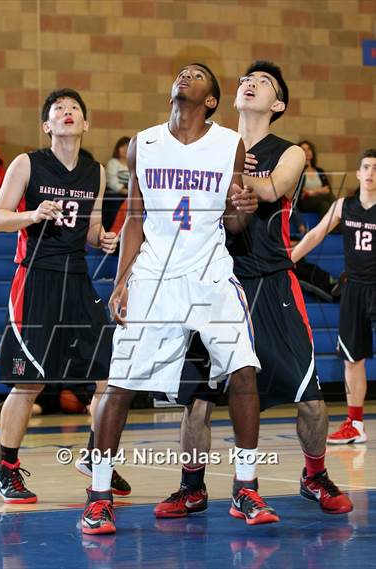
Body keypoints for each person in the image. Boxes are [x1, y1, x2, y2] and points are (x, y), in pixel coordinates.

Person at [81, 63, 280, 535]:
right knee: (120, 382)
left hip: (209, 271)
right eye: (183, 72)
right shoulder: (142, 144)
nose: (186, 76)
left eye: (198, 74)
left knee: (243, 371)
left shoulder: (229, 143)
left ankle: (246, 487)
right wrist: (121, 279)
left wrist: (243, 211)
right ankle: (99, 495)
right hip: (155, 273)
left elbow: (232, 224)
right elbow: (133, 217)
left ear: (211, 99)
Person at [155, 61, 352, 519]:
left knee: (310, 398)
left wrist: (228, 172)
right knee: (198, 399)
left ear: (277, 103)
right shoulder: (210, 141)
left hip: (269, 281)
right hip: (212, 279)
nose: (250, 84)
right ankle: (192, 486)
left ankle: (315, 474)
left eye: (262, 83)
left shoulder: (289, 153)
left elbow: (272, 189)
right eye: (246, 79)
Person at [0, 88, 129, 504]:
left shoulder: (96, 172)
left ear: (85, 124)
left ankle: (94, 453)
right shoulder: (27, 164)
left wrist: (102, 239)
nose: (67, 113)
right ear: (47, 126)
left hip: (77, 278)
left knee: (110, 374)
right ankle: (6, 470)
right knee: (29, 382)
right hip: (36, 279)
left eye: (74, 109)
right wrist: (32, 214)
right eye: (58, 110)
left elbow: (89, 230)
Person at [292, 148, 376, 444]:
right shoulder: (344, 206)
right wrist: (291, 257)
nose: (370, 173)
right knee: (352, 359)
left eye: (375, 168)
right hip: (354, 289)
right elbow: (315, 234)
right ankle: (355, 423)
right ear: (357, 173)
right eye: (365, 167)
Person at [297, 140, 334, 218]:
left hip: (321, 200)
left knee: (328, 201)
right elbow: (301, 193)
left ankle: (334, 228)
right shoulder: (298, 171)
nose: (307, 152)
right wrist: (320, 190)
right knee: (326, 201)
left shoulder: (319, 171)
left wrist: (311, 192)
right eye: (303, 149)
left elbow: (328, 189)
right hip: (304, 203)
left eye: (309, 149)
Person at [102, 137, 131, 232]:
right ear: (117, 149)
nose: (125, 149)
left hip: (130, 195)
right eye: (122, 146)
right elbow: (112, 182)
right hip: (116, 194)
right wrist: (127, 192)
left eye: (128, 146)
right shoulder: (113, 163)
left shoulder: (135, 164)